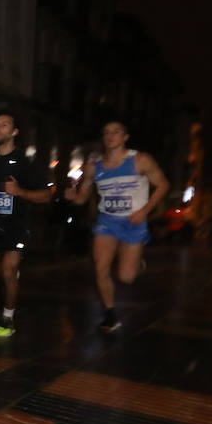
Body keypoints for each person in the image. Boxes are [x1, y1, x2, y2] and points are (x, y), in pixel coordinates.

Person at [66, 120, 168, 331]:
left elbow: (163, 185)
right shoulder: (94, 167)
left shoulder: (140, 160)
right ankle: (110, 314)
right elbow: (82, 198)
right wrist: (73, 195)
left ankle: (135, 260)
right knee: (100, 268)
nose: (110, 136)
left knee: (126, 277)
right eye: (106, 133)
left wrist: (144, 211)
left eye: (116, 132)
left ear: (125, 137)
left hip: (133, 222)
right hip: (107, 221)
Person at [0, 112, 52, 337]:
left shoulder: (25, 163)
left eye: (4, 125)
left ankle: (7, 318)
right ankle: (8, 278)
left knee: (7, 271)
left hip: (15, 225)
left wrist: (20, 191)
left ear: (14, 132)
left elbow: (46, 196)